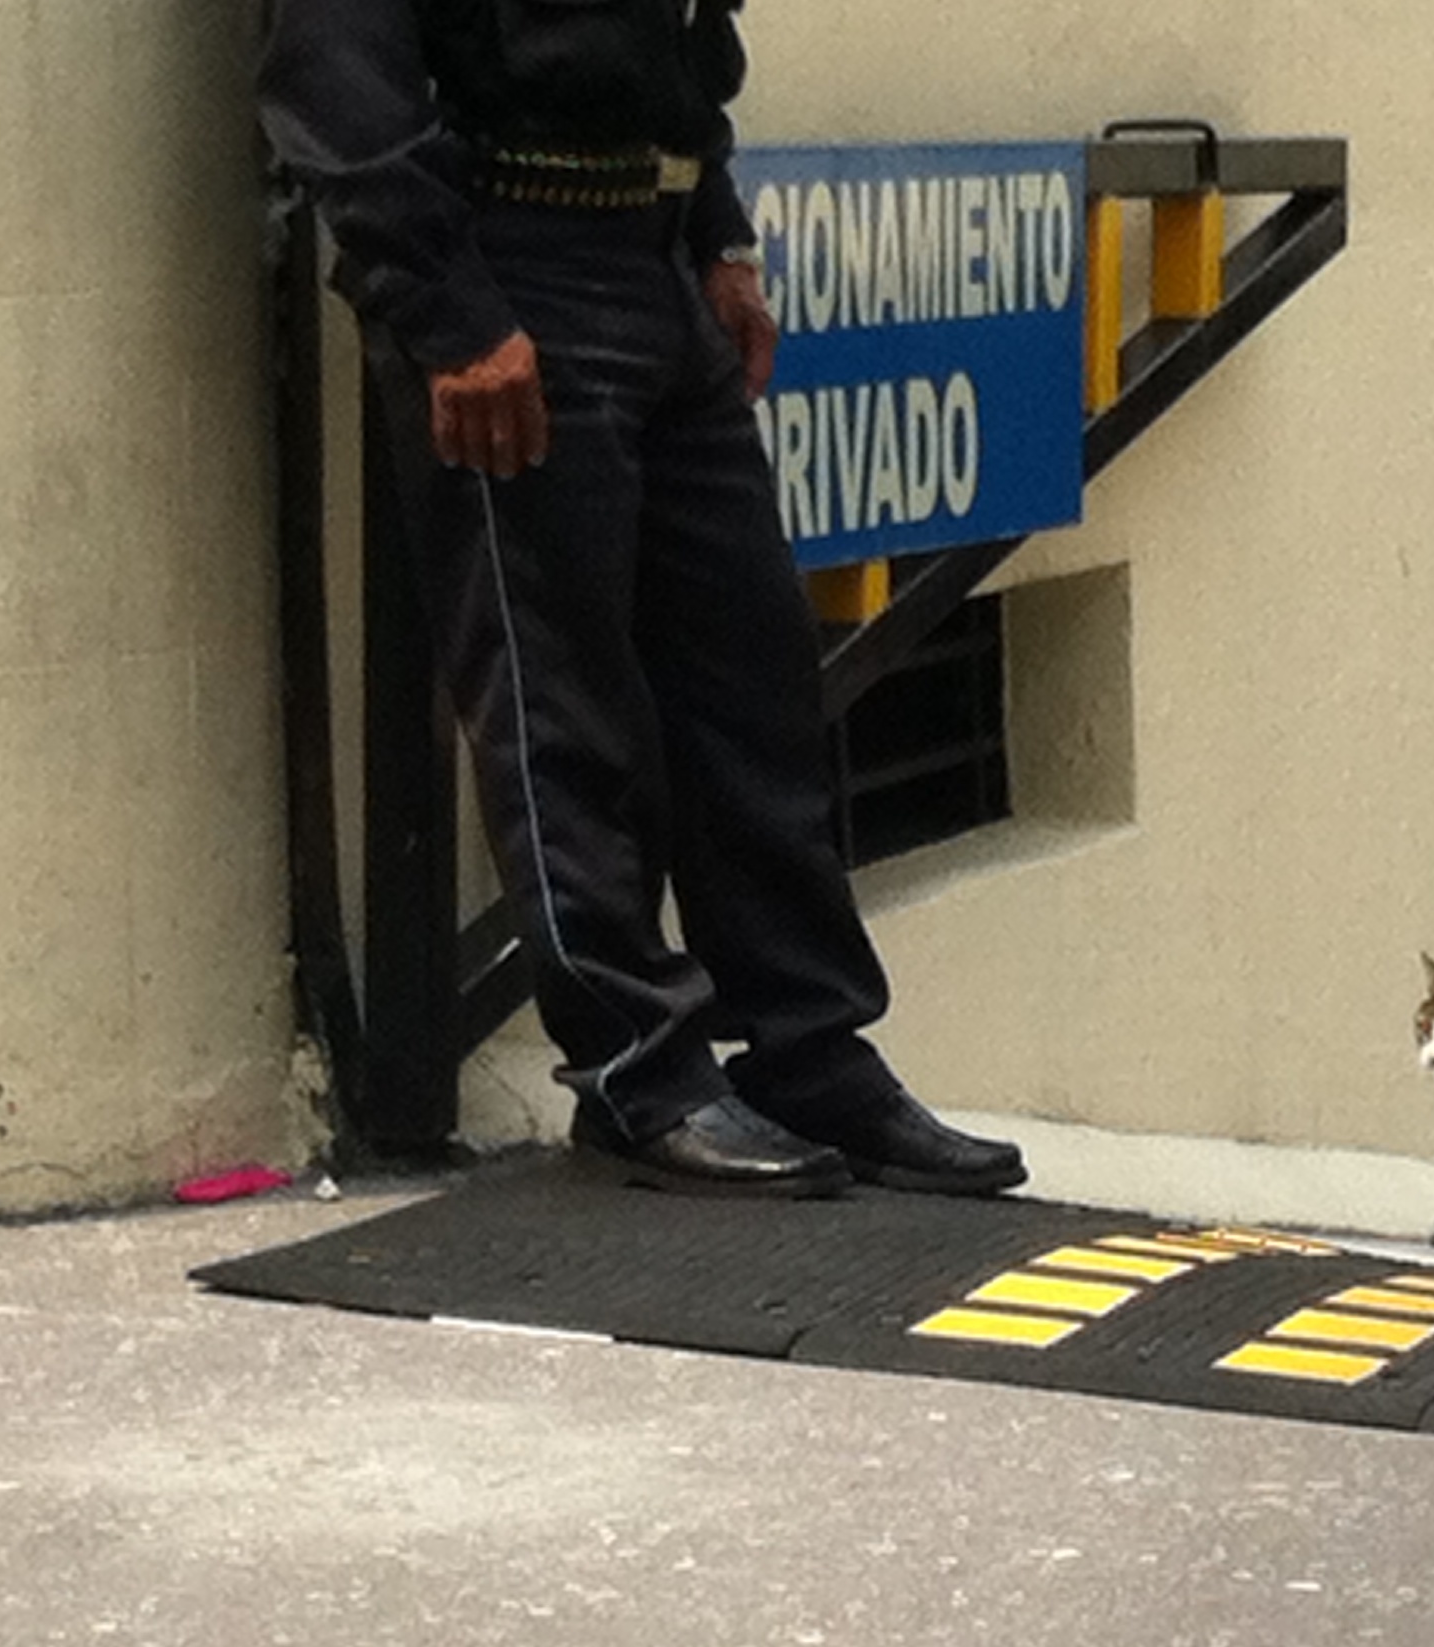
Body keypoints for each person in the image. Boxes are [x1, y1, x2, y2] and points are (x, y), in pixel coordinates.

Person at [257, 0, 1025, 1200]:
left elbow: (681, 41)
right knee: (559, 705)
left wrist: (716, 237)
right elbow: (333, 74)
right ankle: (638, 1075)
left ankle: (808, 1054)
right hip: (507, 271)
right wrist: (449, 310)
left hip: (655, 263)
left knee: (754, 691)